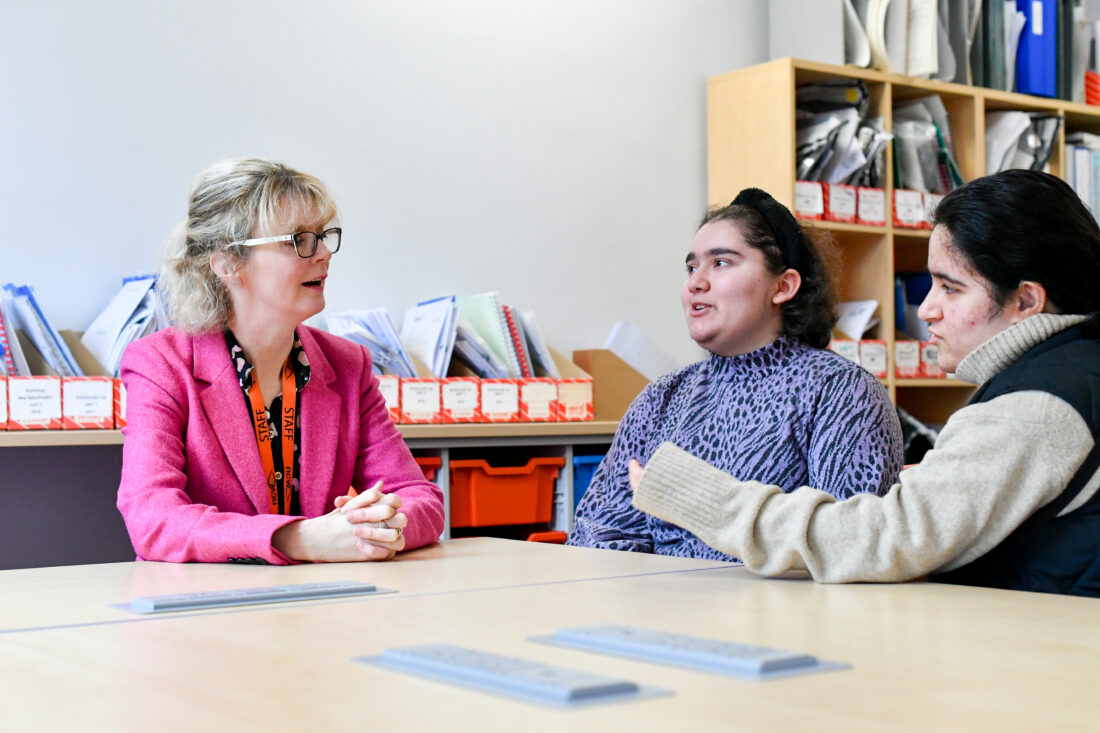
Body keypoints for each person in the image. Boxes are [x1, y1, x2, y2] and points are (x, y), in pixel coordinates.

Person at [630, 169, 1100, 596]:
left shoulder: (1037, 404)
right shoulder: (1067, 372)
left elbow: (881, 540)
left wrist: (703, 498)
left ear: (1027, 301)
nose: (927, 310)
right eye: (692, 267)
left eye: (950, 287)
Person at [117, 158, 444, 564]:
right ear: (227, 263)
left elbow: (421, 499)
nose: (323, 253)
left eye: (323, 236)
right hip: (206, 609)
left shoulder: (347, 364)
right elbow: (152, 518)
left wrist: (377, 528)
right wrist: (298, 538)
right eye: (298, 240)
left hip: (325, 601)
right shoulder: (161, 363)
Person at [568, 187, 904, 559]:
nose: (696, 281)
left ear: (783, 286)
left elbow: (848, 546)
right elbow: (597, 536)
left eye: (721, 263)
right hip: (660, 610)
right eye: (692, 267)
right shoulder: (661, 398)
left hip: (778, 615)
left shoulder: (841, 392)